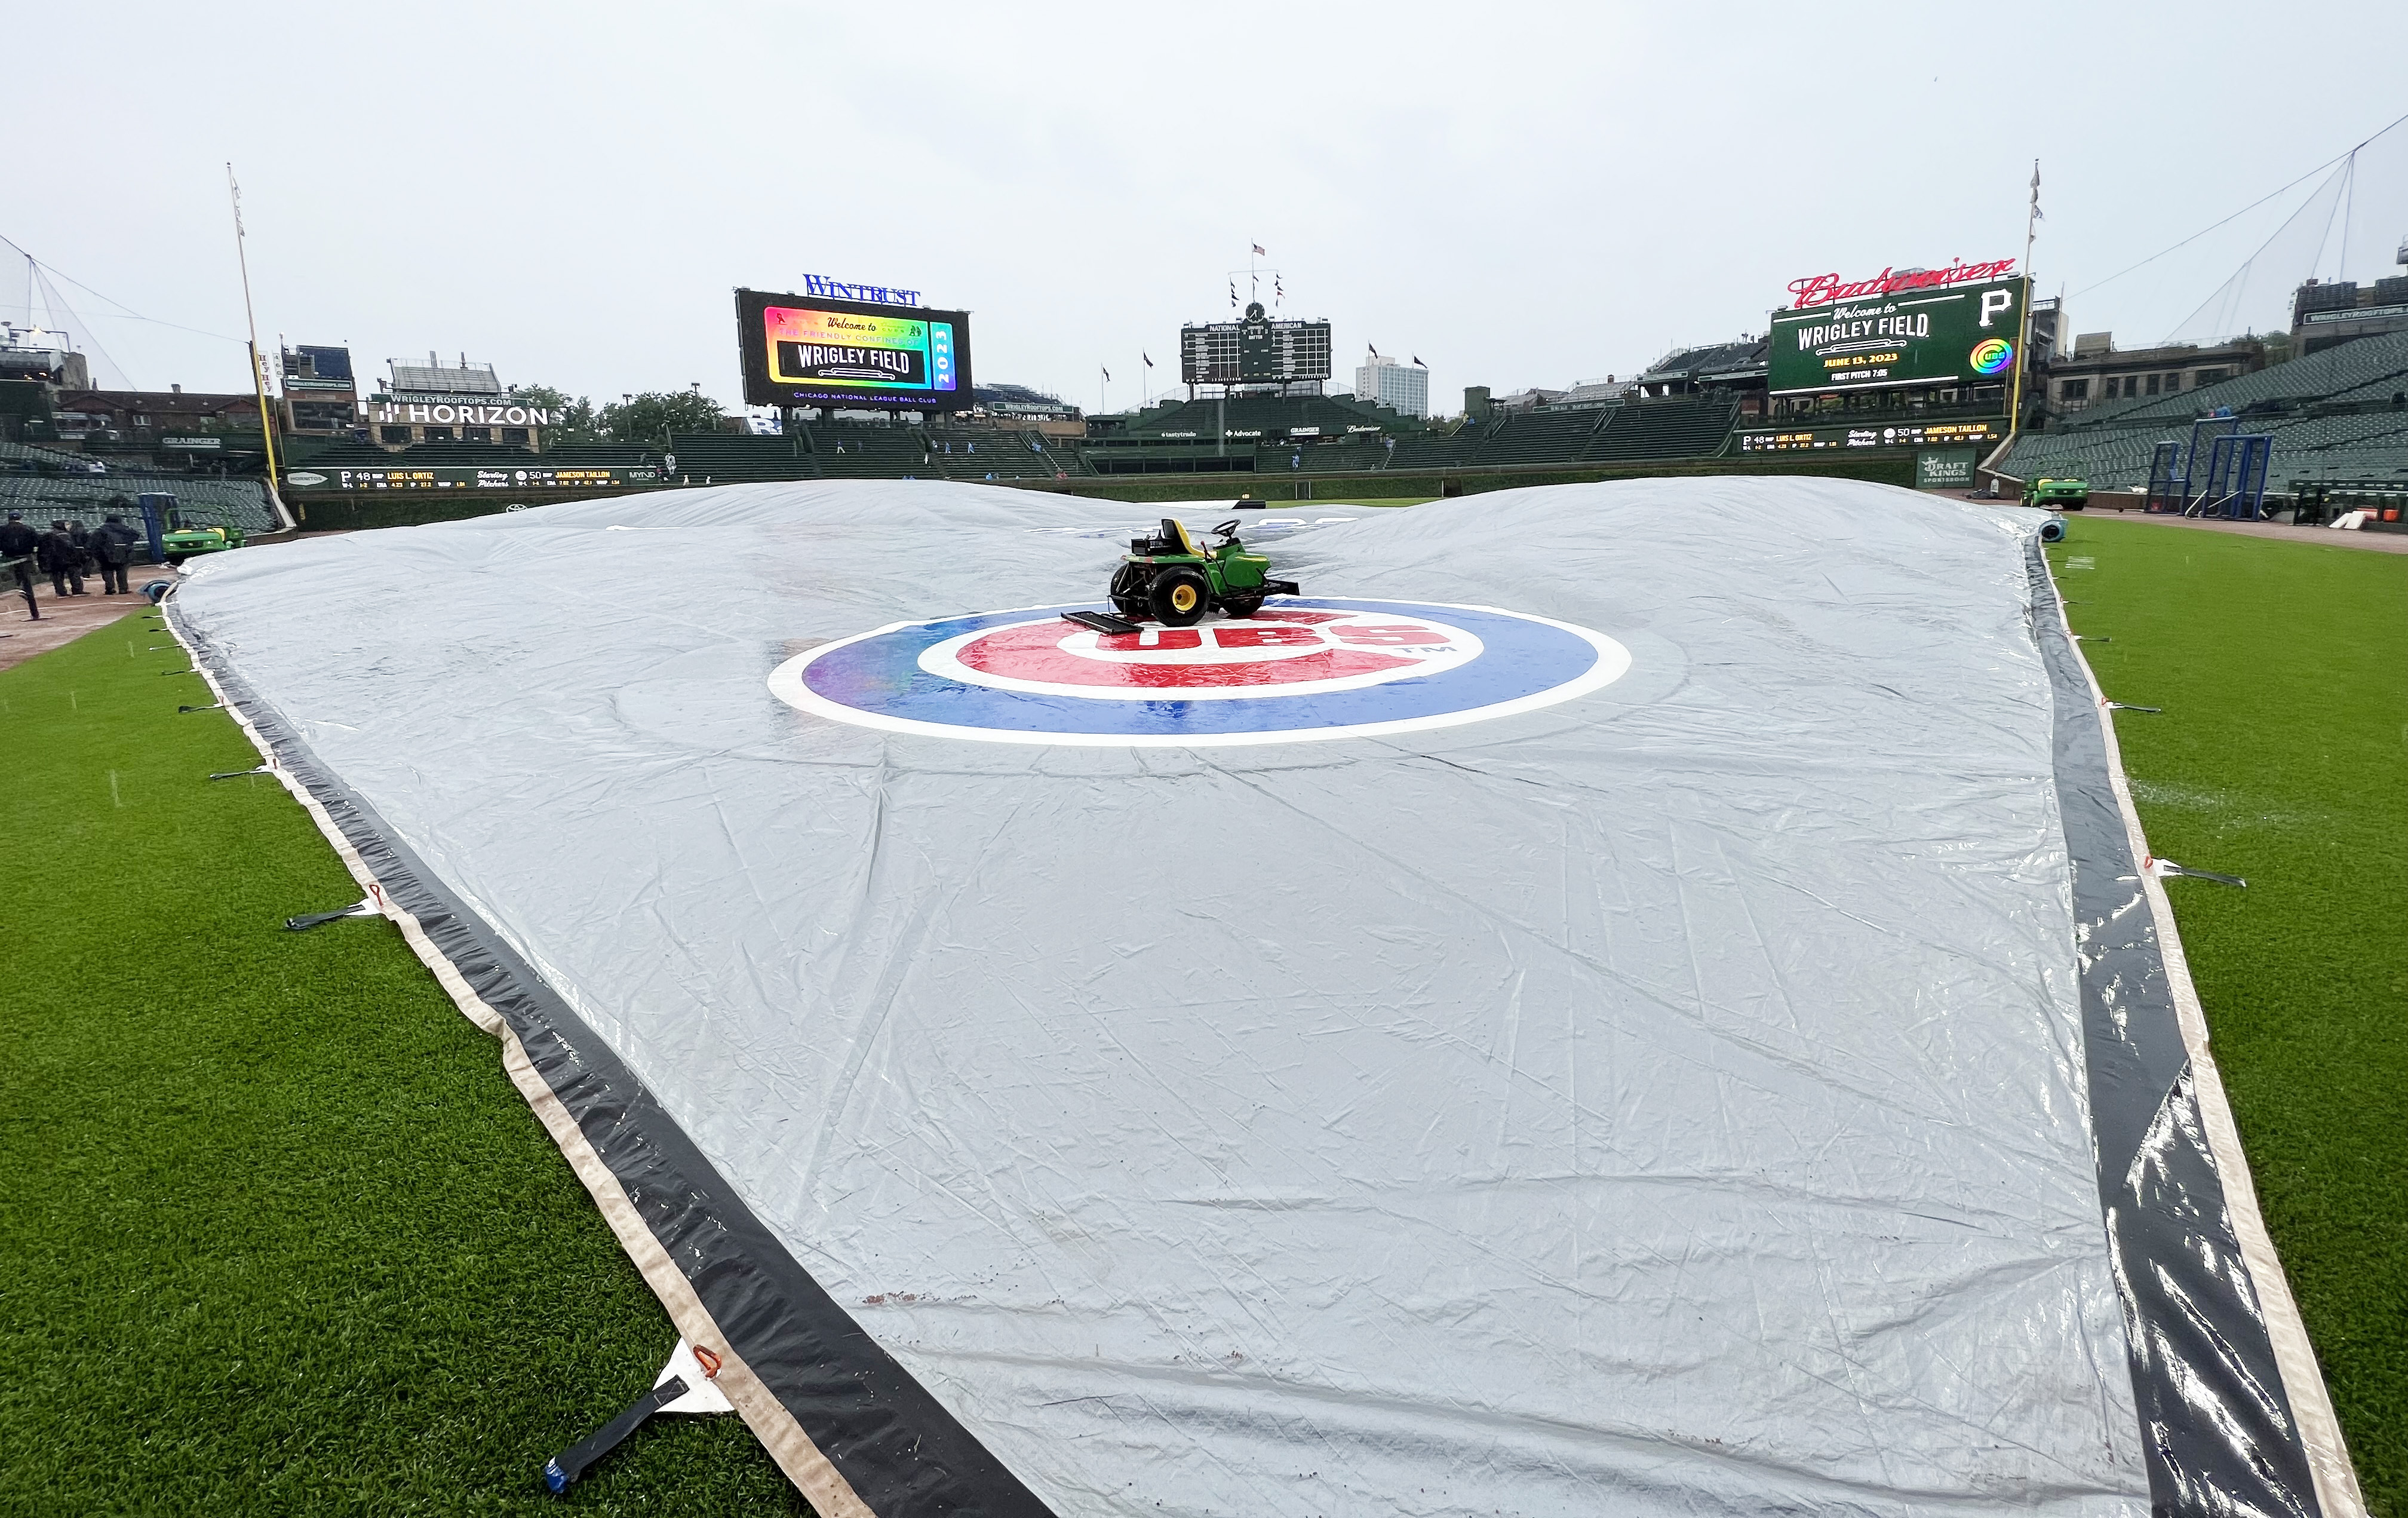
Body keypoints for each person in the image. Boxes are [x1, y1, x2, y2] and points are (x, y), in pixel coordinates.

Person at [0, 509, 39, 619]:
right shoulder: (28, 529)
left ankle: (19, 587)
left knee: (15, 577)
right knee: (27, 579)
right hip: (26, 557)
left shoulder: (2, 529)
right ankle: (25, 592)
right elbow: (36, 542)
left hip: (9, 558)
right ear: (20, 519)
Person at [94, 512, 139, 596]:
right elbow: (136, 535)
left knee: (107, 571)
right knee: (122, 572)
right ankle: (123, 589)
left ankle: (110, 589)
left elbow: (95, 542)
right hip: (124, 552)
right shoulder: (125, 528)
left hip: (106, 554)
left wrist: (98, 553)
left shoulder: (101, 529)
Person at [39, 519, 87, 596]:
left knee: (58, 577)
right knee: (74, 574)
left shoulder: (48, 535)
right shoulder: (68, 534)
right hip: (70, 558)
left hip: (56, 560)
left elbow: (45, 549)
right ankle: (77, 590)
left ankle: (61, 592)